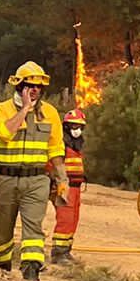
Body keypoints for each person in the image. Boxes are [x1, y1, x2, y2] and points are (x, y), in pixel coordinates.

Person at [0, 62, 66, 281]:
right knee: (3, 230)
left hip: (36, 180)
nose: (35, 90)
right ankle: (2, 267)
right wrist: (24, 109)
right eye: (30, 85)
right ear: (19, 86)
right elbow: (4, 133)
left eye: (38, 86)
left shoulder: (50, 113)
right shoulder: (1, 109)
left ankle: (31, 272)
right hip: (5, 179)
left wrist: (63, 180)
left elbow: (56, 148)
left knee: (34, 227)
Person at [54, 108, 88, 262]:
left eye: (80, 127)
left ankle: (66, 250)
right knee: (65, 219)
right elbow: (54, 165)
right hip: (65, 186)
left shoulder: (76, 144)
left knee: (73, 219)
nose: (77, 130)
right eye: (74, 126)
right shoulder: (61, 144)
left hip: (76, 187)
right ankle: (58, 253)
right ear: (66, 127)